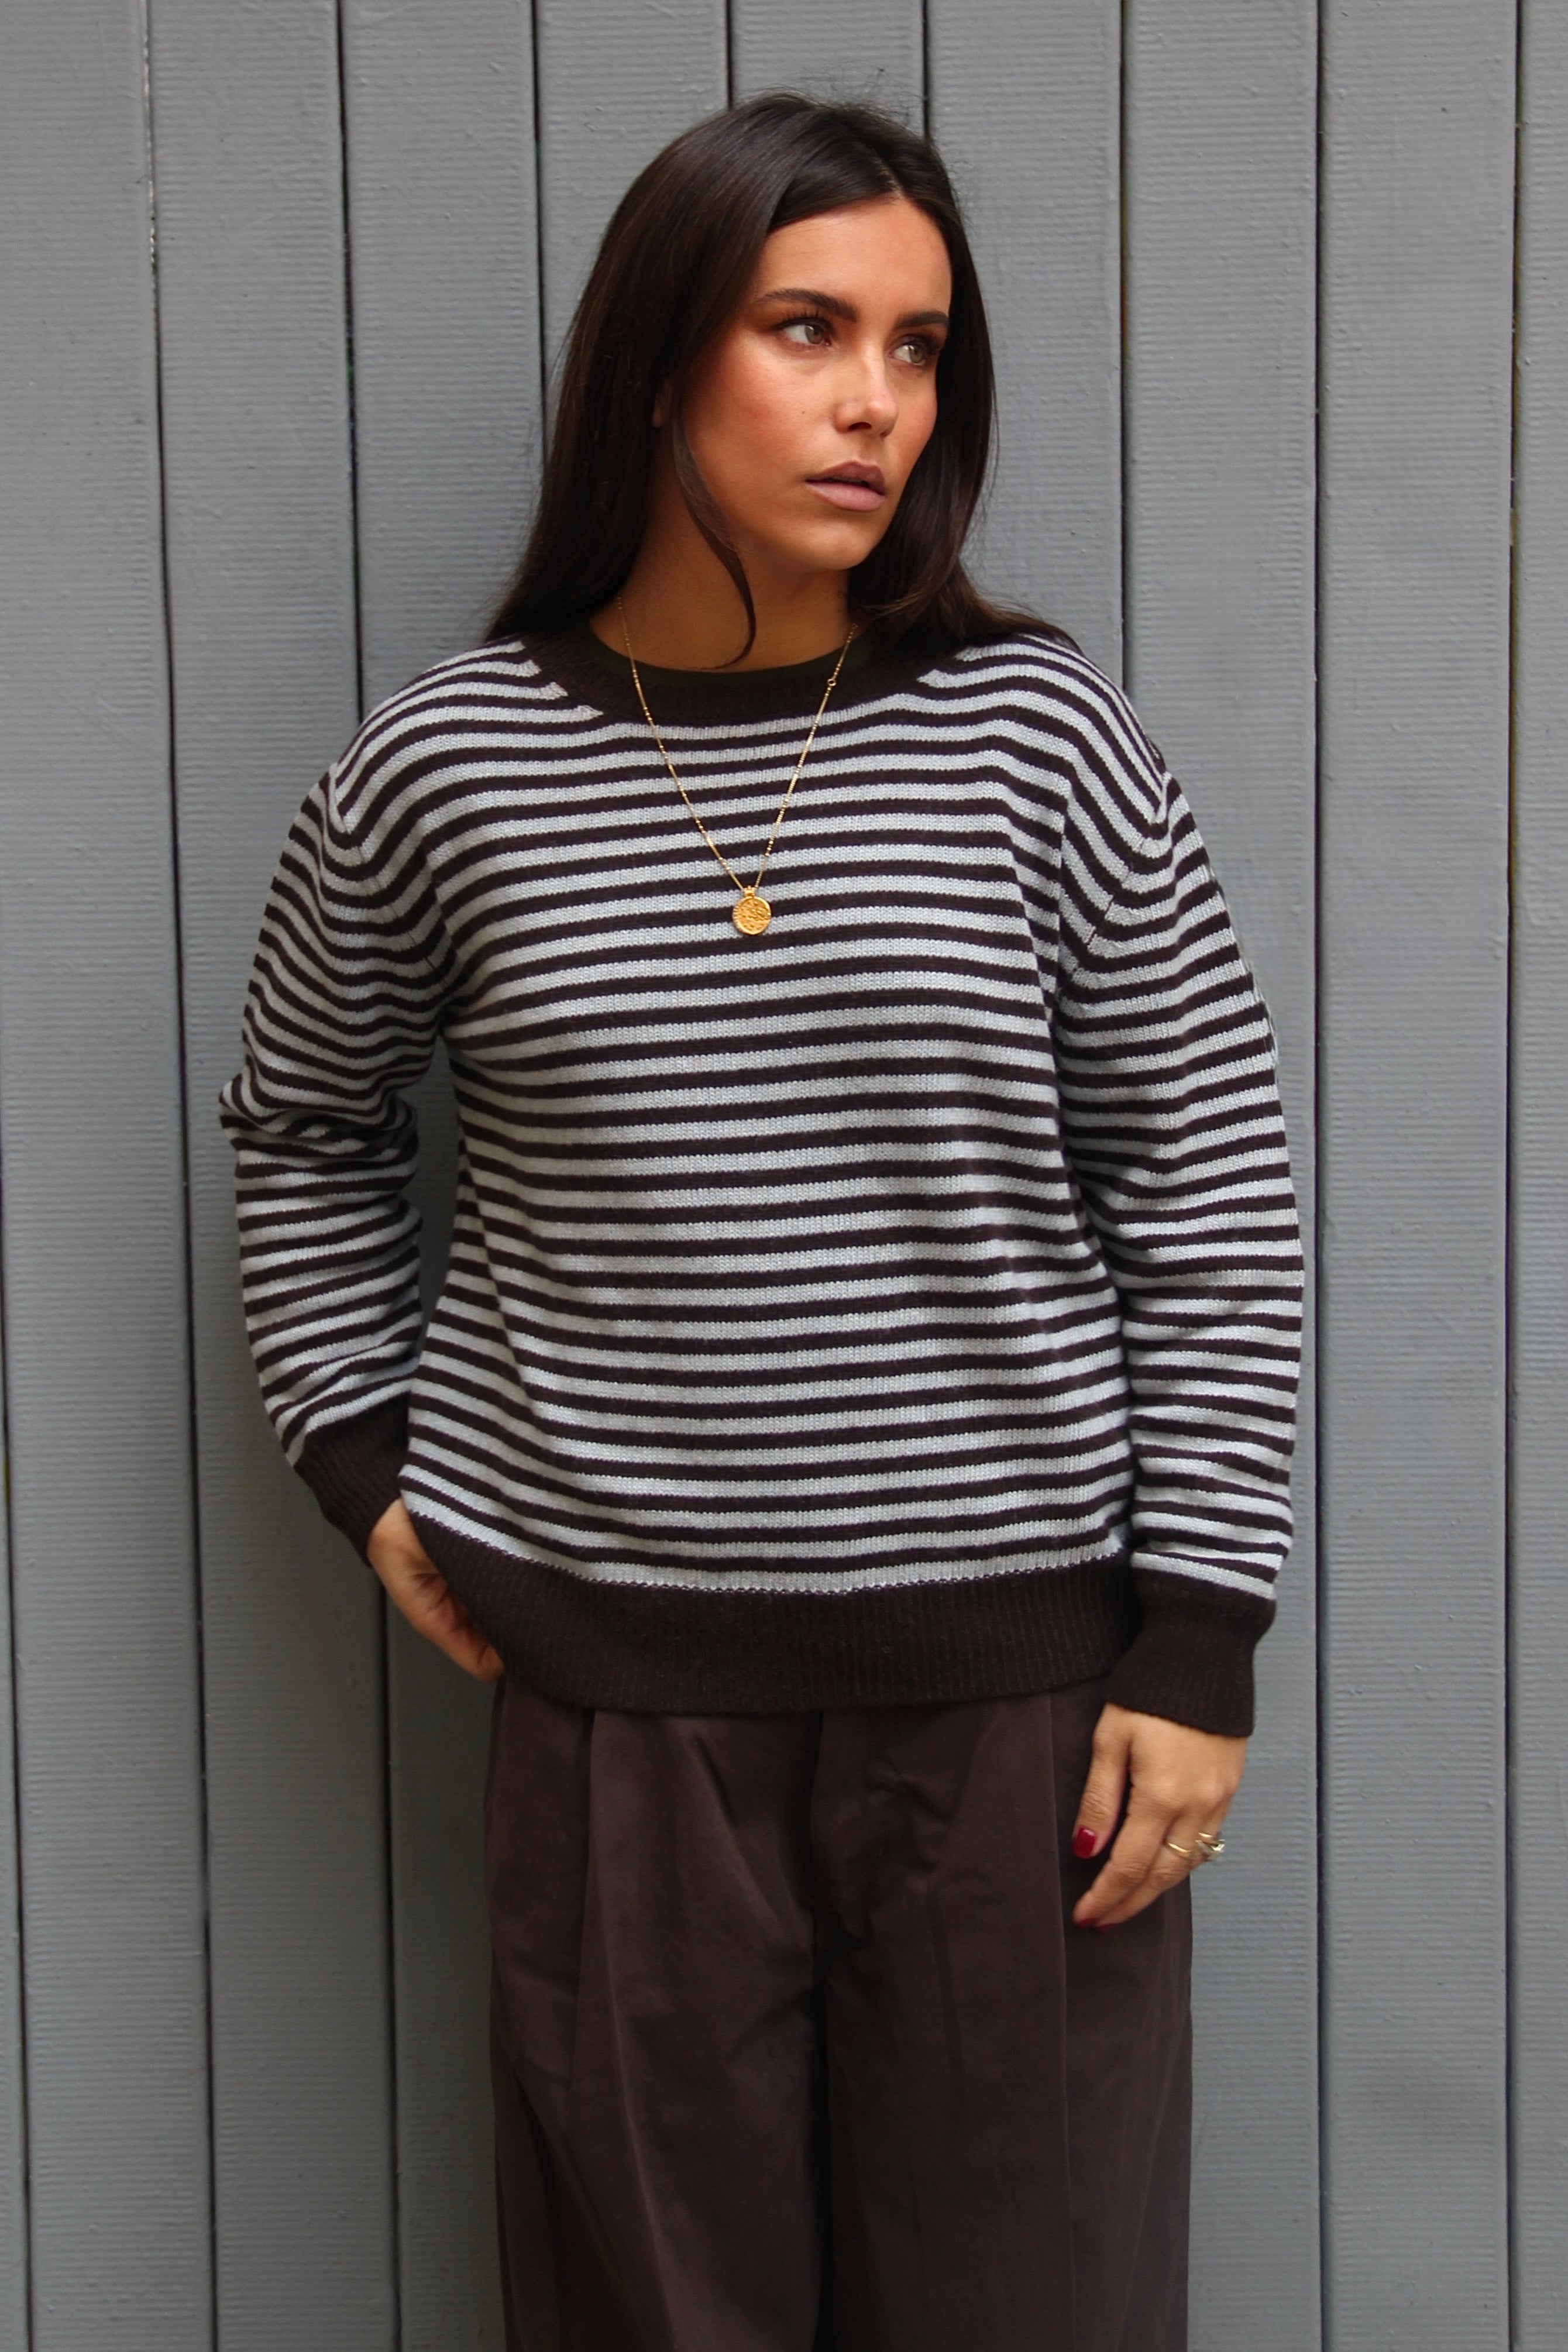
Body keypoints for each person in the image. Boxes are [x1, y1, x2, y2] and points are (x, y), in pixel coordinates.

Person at [221, 92, 1302, 2352]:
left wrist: (1200, 1640)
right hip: (620, 1723)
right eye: (807, 328)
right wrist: (364, 1455)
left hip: (1024, 1727)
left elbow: (1207, 1174)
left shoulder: (1040, 740)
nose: (874, 401)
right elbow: (304, 1126)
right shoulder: (445, 770)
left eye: (918, 348)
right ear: (654, 363)